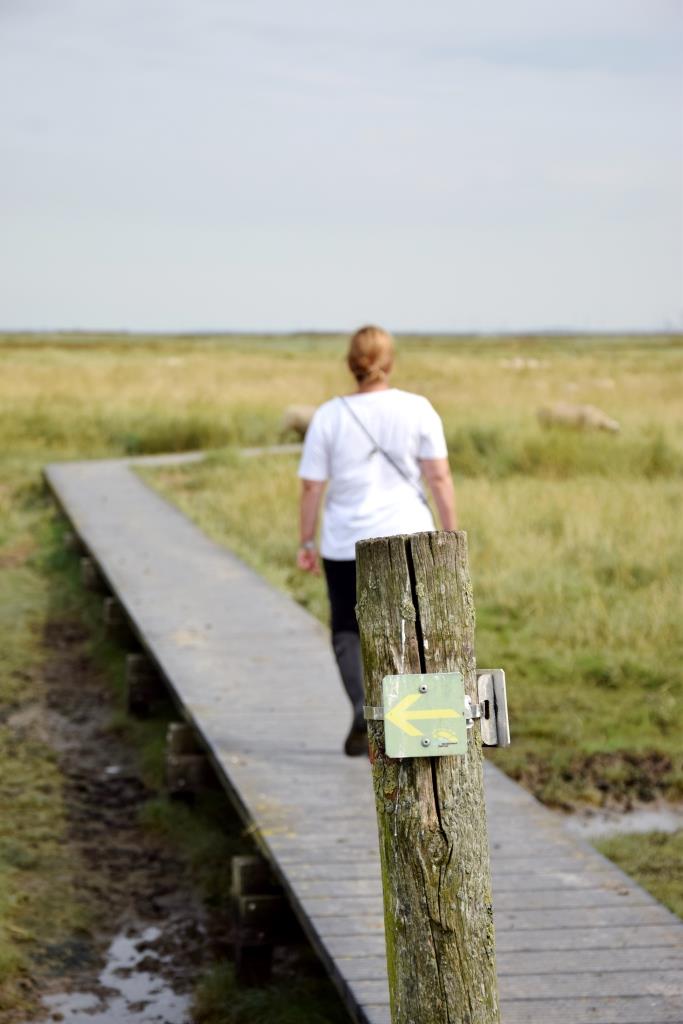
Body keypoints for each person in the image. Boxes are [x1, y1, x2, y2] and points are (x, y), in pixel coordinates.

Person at [296, 325, 457, 756]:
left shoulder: (329, 415)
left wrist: (305, 542)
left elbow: (312, 486)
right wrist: (449, 533)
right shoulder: (418, 408)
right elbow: (438, 475)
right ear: (390, 362)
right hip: (409, 537)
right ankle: (421, 731)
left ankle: (362, 708)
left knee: (348, 630)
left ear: (351, 364)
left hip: (345, 542)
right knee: (414, 626)